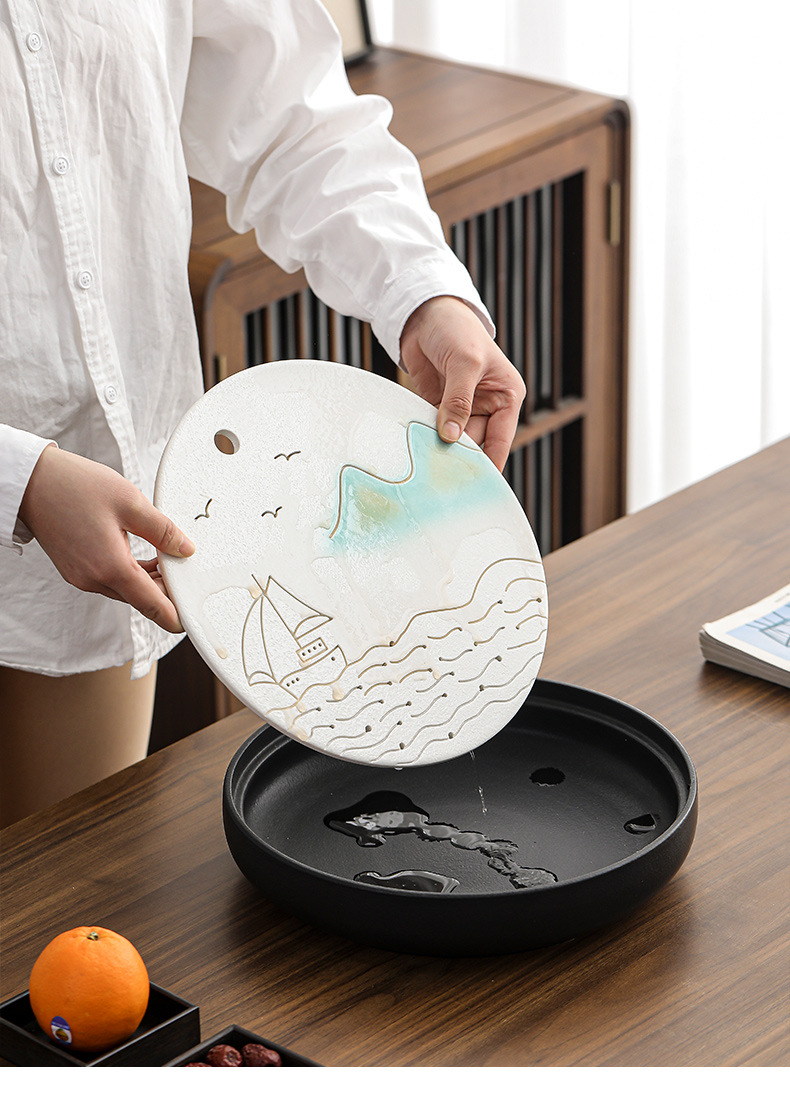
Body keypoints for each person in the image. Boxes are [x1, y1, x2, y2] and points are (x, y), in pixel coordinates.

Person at [0, 0, 525, 826]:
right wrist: (17, 478)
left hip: (92, 542)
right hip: (54, 493)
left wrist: (423, 295)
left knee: (72, 891)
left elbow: (289, 116)